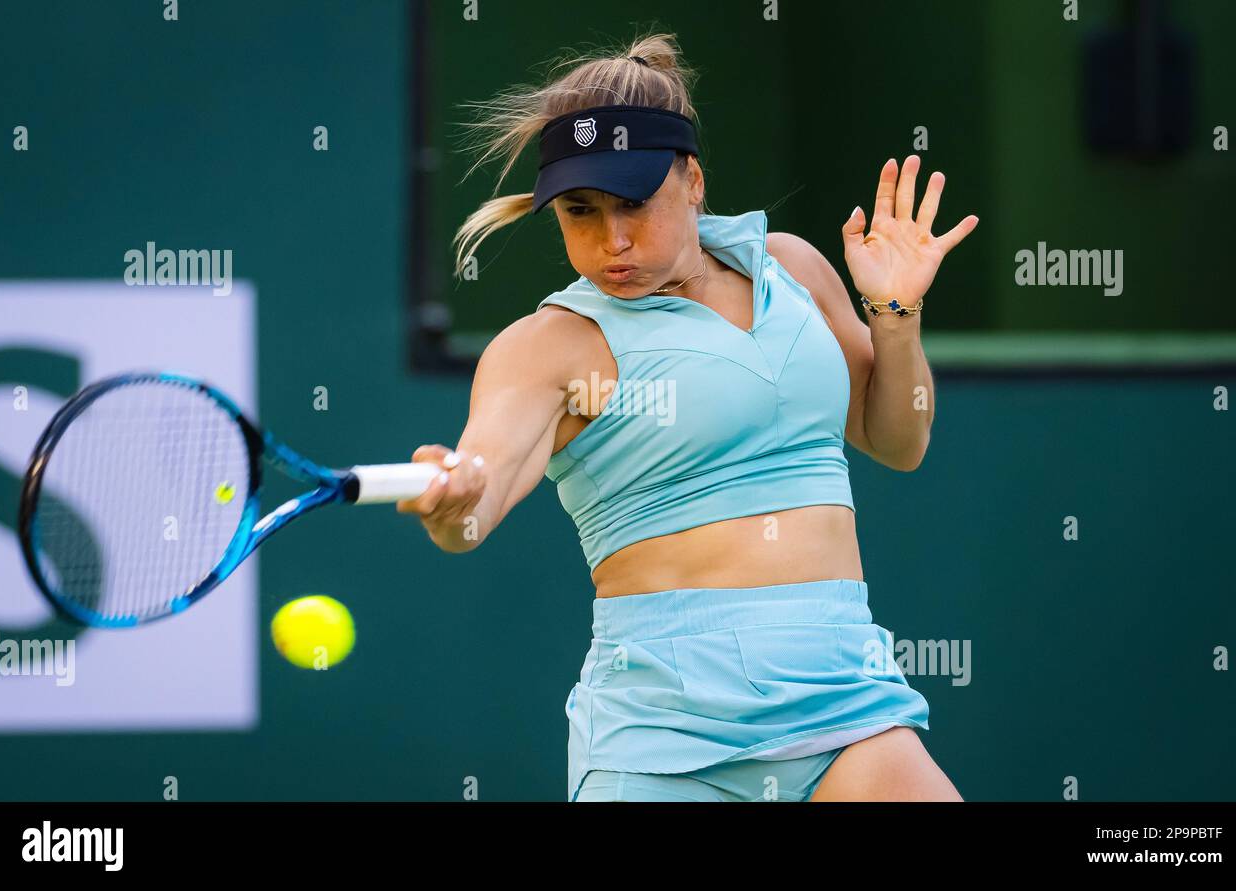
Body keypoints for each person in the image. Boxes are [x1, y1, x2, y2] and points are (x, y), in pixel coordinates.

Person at [399, 33, 977, 802]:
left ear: (694, 179)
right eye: (580, 211)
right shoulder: (548, 347)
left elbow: (898, 440)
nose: (614, 240)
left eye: (634, 202)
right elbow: (475, 499)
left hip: (849, 708)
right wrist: (452, 499)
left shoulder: (794, 269)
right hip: (663, 742)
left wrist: (895, 313)